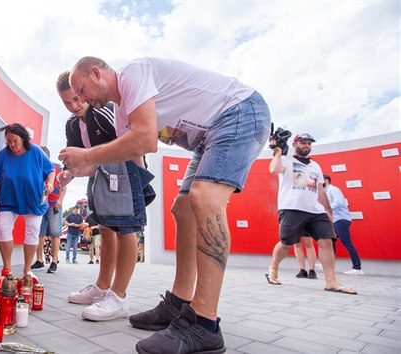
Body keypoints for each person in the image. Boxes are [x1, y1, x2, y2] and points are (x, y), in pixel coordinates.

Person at [60, 56, 272, 354]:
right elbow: (127, 153)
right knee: (182, 208)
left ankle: (204, 323)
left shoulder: (132, 74)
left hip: (240, 110)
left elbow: (146, 140)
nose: (81, 99)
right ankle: (179, 303)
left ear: (96, 73)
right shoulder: (122, 115)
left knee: (205, 197)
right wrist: (75, 170)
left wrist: (87, 155)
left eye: (81, 91)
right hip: (208, 137)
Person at [55, 71, 141, 322]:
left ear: (83, 93)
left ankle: (119, 296)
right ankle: (102, 287)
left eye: (76, 99)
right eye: (66, 103)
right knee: (105, 228)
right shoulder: (71, 124)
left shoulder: (104, 111)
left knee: (126, 228)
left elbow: (131, 139)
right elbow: (74, 160)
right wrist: (66, 175)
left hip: (126, 170)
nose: (74, 106)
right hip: (99, 175)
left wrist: (138, 178)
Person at [266, 132, 357, 297]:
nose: (306, 146)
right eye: (303, 143)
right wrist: (278, 151)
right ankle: (273, 268)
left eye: (309, 143)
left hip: (316, 210)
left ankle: (330, 281)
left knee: (327, 241)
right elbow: (273, 169)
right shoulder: (286, 160)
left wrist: (328, 210)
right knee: (286, 243)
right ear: (294, 144)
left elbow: (320, 189)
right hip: (292, 207)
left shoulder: (316, 166)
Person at [0, 123, 55, 279]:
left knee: (32, 232)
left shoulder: (36, 151)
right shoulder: (3, 154)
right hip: (8, 199)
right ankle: (7, 269)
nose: (12, 144)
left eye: (15, 141)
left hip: (33, 200)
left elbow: (50, 169)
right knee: (3, 229)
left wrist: (50, 183)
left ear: (24, 139)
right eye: (9, 141)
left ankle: (27, 270)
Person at [31, 146, 66, 273]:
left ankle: (54, 261)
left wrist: (60, 200)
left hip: (54, 205)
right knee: (39, 233)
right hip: (40, 205)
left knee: (55, 233)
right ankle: (40, 260)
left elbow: (64, 186)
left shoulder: (57, 168)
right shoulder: (35, 168)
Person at [323, 174, 364, 275]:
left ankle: (357, 268)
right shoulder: (326, 192)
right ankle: (329, 263)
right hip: (335, 220)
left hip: (341, 219)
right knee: (331, 241)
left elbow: (339, 202)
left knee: (347, 242)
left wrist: (326, 208)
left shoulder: (333, 189)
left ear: (326, 180)